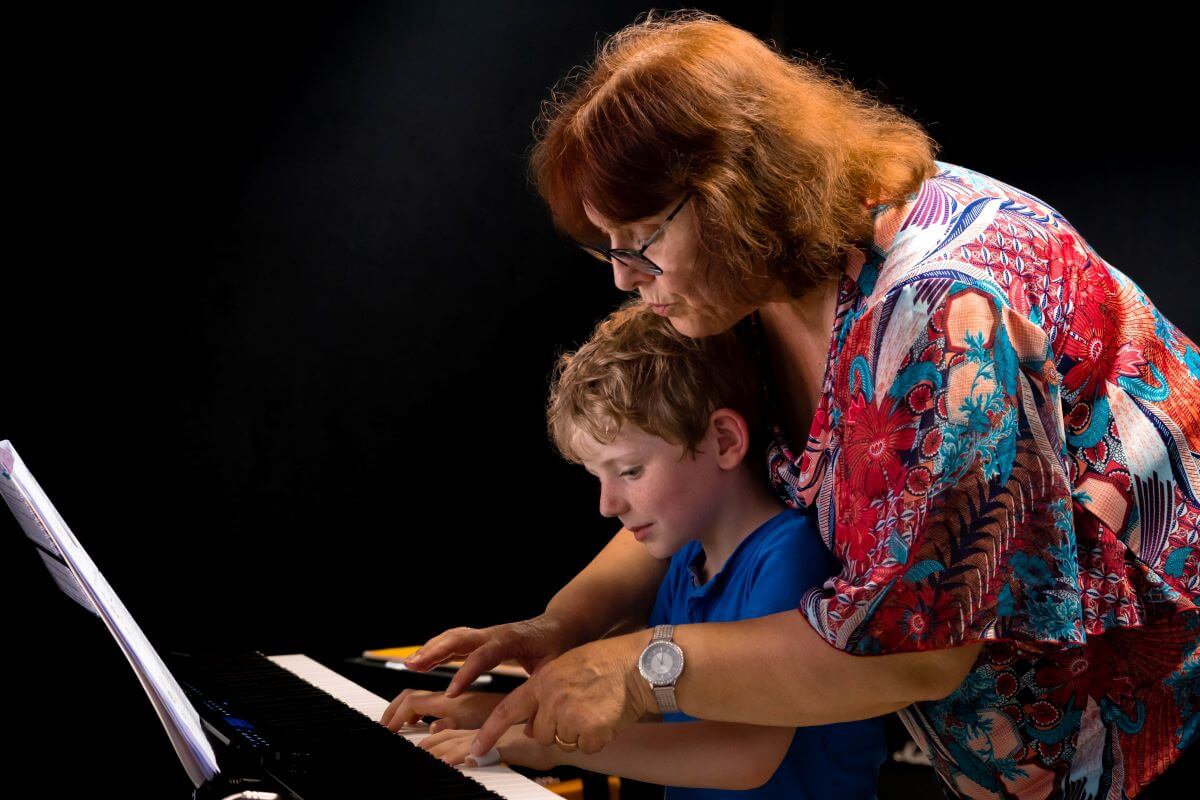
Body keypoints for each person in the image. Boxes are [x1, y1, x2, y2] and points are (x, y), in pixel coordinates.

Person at [389, 11, 1200, 798]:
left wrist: (639, 668)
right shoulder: (744, 286)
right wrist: (562, 627)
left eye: (641, 238)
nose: (622, 277)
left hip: (1166, 723)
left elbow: (920, 649)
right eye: (607, 243)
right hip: (1028, 747)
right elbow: (698, 482)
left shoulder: (942, 311)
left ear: (736, 192)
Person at [406, 299, 888, 797]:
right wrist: (502, 717)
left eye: (630, 471)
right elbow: (670, 721)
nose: (608, 505)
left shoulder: (788, 556)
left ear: (724, 440)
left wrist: (547, 744)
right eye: (599, 477)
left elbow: (745, 756)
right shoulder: (684, 559)